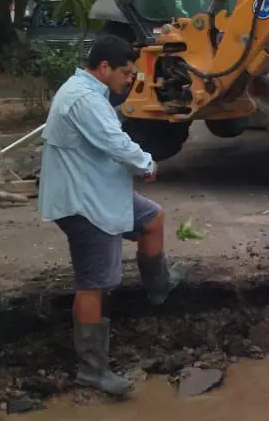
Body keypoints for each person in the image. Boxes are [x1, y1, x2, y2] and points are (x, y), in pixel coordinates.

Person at [38, 34, 181, 396]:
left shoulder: (86, 92)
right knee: (94, 282)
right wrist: (146, 163)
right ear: (104, 68)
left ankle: (159, 288)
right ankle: (92, 368)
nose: (129, 79)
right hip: (84, 203)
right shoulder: (84, 99)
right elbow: (115, 142)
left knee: (152, 220)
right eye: (125, 72)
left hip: (100, 189)